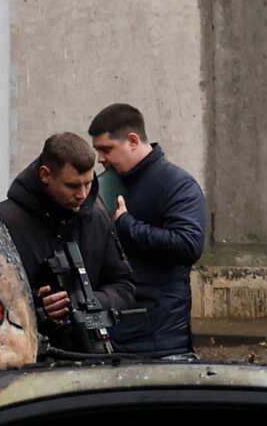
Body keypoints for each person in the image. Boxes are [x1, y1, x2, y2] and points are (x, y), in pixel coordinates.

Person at [0, 133, 136, 358]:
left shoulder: (97, 220)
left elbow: (124, 286)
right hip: (28, 363)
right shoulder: (3, 224)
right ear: (45, 175)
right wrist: (38, 309)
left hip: (93, 356)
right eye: (72, 186)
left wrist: (90, 301)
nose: (82, 194)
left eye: (88, 183)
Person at [88, 103, 207, 359]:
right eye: (98, 150)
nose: (101, 159)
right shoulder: (105, 185)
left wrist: (127, 225)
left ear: (132, 140)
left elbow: (188, 245)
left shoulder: (177, 184)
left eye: (106, 149)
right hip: (114, 332)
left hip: (161, 340)